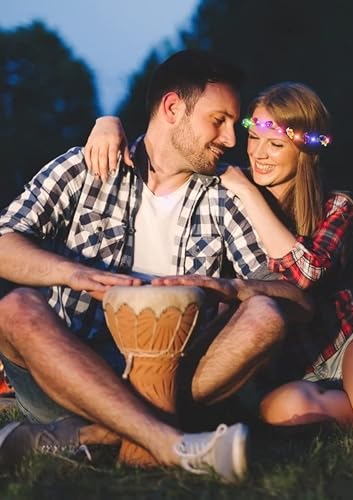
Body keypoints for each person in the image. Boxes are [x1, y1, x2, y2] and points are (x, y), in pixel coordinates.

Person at [86, 82, 353, 433]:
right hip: (281, 363)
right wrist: (109, 123)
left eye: (276, 144)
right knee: (281, 415)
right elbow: (165, 150)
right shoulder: (219, 192)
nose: (259, 154)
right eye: (254, 139)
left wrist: (247, 191)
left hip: (341, 339)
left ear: (303, 151)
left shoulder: (336, 207)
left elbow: (303, 277)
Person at [0, 50, 313, 481]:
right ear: (172, 108)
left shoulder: (223, 194)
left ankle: (88, 436)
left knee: (264, 313)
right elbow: (4, 241)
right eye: (218, 120)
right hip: (69, 370)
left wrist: (231, 288)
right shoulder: (87, 166)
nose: (230, 139)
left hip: (176, 378)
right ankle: (171, 441)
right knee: (14, 308)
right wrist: (73, 274)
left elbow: (293, 296)